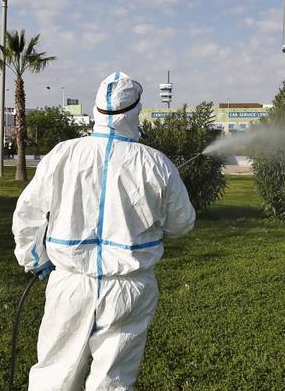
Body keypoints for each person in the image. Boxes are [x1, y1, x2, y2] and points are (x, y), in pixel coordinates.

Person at [13, 71, 196, 390]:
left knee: (54, 373)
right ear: (136, 111)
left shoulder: (63, 154)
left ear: (97, 110)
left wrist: (34, 258)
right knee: (112, 379)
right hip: (129, 288)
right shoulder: (156, 163)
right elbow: (182, 224)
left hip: (70, 284)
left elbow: (28, 212)